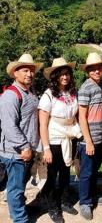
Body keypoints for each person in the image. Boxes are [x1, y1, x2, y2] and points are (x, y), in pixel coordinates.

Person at [0, 53, 43, 223]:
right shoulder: (11, 96)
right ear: (15, 73)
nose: (30, 74)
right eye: (25, 70)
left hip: (27, 150)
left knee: (20, 185)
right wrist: (24, 146)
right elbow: (9, 126)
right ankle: (19, 219)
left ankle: (19, 210)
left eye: (32, 70)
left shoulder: (29, 91)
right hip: (16, 151)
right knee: (15, 188)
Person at [39, 57, 82, 223]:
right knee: (51, 175)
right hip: (55, 138)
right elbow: (43, 124)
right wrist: (46, 148)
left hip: (70, 136)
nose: (65, 77)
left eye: (67, 74)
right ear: (55, 76)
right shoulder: (48, 96)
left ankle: (64, 200)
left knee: (65, 171)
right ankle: (52, 207)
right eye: (61, 74)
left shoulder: (71, 93)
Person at [77, 52, 102, 220]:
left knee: (93, 170)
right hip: (88, 140)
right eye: (93, 69)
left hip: (100, 137)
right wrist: (88, 141)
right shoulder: (85, 88)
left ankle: (92, 197)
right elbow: (81, 117)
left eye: (99, 68)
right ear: (88, 71)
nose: (97, 71)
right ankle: (84, 202)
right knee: (86, 172)